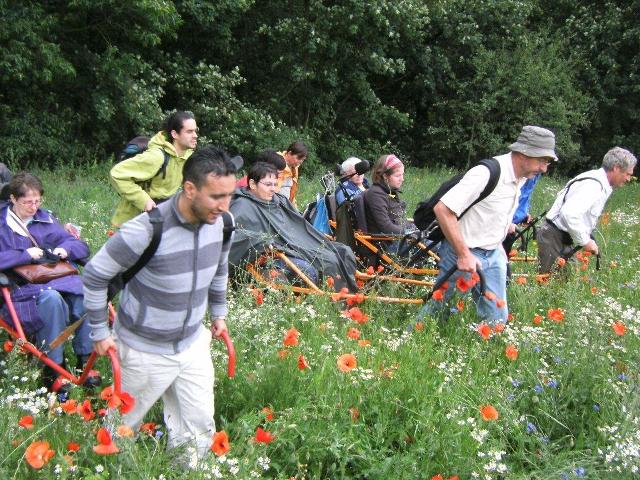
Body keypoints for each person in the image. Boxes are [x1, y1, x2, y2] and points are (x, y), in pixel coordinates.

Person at [83, 145, 238, 460]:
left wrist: (218, 313)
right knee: (122, 428)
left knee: (199, 426)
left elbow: (219, 269)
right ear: (190, 189)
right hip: (143, 349)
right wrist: (100, 332)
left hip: (193, 344)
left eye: (229, 195)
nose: (224, 205)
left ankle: (188, 470)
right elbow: (95, 276)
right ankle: (110, 468)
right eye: (216, 197)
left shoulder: (223, 224)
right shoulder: (146, 229)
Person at [422, 126, 556, 325]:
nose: (544, 168)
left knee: (497, 317)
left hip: (494, 254)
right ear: (524, 153)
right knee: (438, 311)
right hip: (463, 252)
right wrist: (464, 254)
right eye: (542, 161)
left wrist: (499, 244)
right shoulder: (487, 173)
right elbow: (443, 210)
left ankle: (488, 350)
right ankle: (409, 342)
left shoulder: (520, 178)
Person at [0, 173, 95, 392]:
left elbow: (80, 247)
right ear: (13, 199)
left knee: (86, 294)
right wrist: (24, 255)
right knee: (51, 300)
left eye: (37, 201)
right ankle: (53, 369)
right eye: (27, 202)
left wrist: (65, 249)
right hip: (19, 286)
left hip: (54, 278)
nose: (33, 207)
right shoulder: (3, 224)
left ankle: (84, 362)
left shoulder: (45, 219)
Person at [230, 162, 358, 292]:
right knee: (318, 265)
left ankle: (344, 294)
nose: (273, 189)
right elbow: (232, 237)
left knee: (343, 251)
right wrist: (260, 240)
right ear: (252, 184)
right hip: (272, 255)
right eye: (268, 184)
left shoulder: (279, 200)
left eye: (275, 184)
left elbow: (298, 224)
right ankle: (331, 298)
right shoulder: (242, 206)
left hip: (296, 245)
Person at [536, 146, 637, 273]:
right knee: (547, 284)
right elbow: (569, 214)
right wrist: (585, 241)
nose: (628, 179)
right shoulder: (593, 185)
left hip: (563, 238)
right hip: (554, 237)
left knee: (565, 283)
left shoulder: (600, 183)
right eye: (627, 174)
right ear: (616, 168)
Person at [110, 111, 198, 227]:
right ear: (175, 134)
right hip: (134, 222)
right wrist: (144, 200)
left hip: (159, 219)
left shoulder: (185, 158)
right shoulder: (156, 157)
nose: (195, 135)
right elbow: (117, 173)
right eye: (189, 132)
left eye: (195, 131)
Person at [363, 154, 416, 255]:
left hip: (397, 239)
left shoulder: (388, 191)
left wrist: (415, 227)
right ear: (385, 176)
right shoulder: (376, 194)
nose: (402, 179)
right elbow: (386, 227)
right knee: (437, 246)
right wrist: (410, 232)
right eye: (398, 175)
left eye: (402, 175)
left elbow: (398, 220)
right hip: (387, 245)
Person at [277, 141, 308, 207]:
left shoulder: (295, 168)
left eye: (303, 159)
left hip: (285, 206)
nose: (300, 162)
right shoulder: (275, 161)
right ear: (289, 153)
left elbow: (291, 192)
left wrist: (294, 209)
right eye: (298, 158)